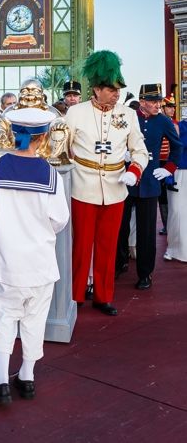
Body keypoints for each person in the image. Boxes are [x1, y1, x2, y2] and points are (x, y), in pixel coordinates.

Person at [0, 107, 69, 404]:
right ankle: (27, 377)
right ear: (43, 137)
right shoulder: (51, 174)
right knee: (35, 318)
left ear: (13, 134)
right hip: (40, 262)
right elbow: (60, 220)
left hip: (7, 259)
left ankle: (1, 381)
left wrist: (3, 226)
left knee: (4, 316)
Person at [65, 50, 148, 316]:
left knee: (108, 246)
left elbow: (140, 150)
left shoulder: (128, 114)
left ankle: (103, 296)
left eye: (119, 89)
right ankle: (76, 295)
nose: (117, 94)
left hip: (116, 188)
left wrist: (134, 170)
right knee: (81, 245)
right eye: (112, 89)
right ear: (97, 89)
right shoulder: (75, 112)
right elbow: (62, 149)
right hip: (82, 185)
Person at [114, 84, 182, 289]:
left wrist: (169, 168)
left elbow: (177, 146)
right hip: (125, 179)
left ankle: (145, 273)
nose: (158, 105)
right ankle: (120, 263)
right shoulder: (128, 116)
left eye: (159, 101)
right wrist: (121, 153)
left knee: (146, 231)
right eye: (153, 101)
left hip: (150, 180)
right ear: (142, 102)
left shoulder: (163, 121)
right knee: (120, 226)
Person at [165, 116, 187, 262]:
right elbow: (175, 147)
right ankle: (174, 247)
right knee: (176, 210)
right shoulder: (179, 125)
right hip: (179, 171)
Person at [158, 94, 178, 236]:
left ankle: (174, 224)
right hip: (158, 162)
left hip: (171, 163)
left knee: (173, 194)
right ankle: (166, 224)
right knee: (162, 196)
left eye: (173, 107)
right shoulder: (158, 122)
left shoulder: (175, 124)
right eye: (169, 107)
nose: (172, 110)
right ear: (163, 108)